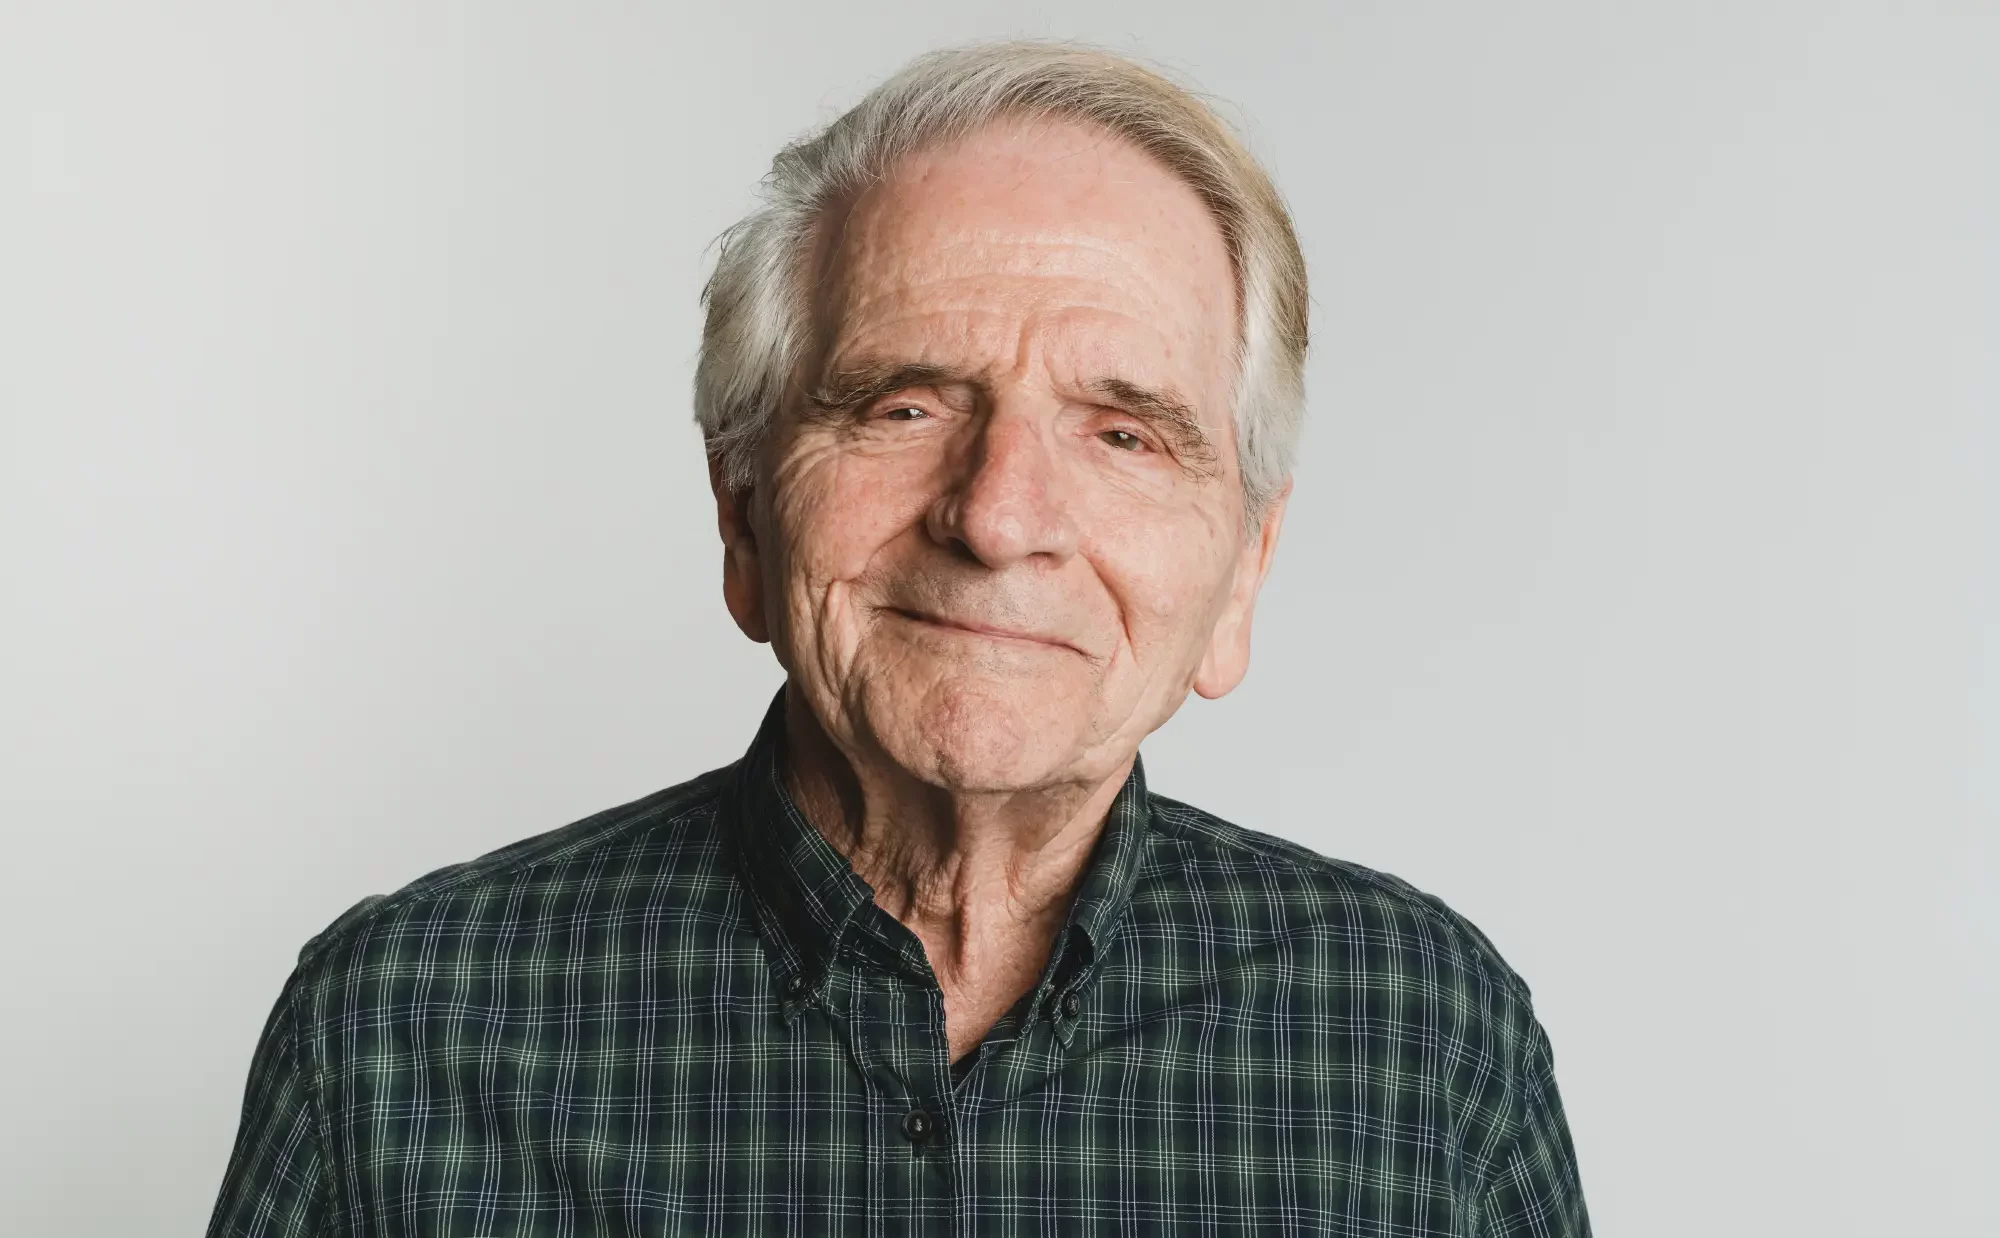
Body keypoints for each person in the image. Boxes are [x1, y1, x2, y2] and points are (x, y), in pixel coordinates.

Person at [209, 40, 1589, 1237]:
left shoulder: (1426, 1047)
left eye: (1123, 432)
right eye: (905, 406)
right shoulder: (398, 1035)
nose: (998, 516)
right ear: (742, 508)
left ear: (1243, 572)